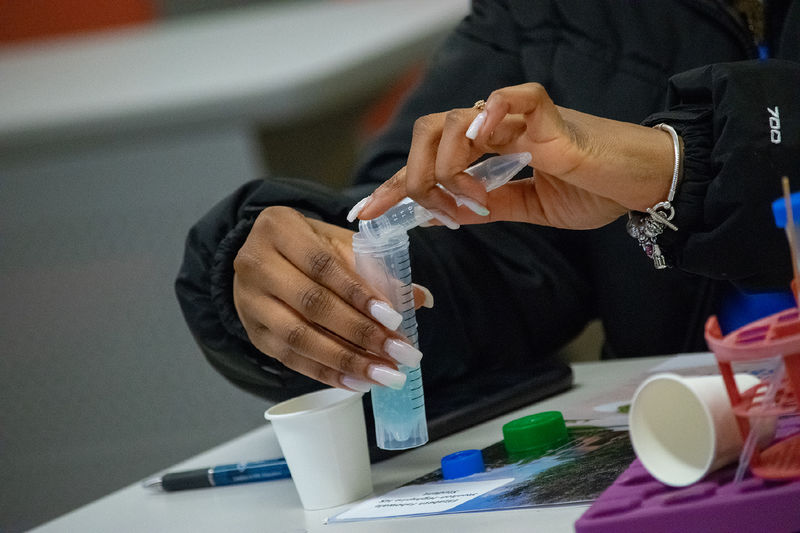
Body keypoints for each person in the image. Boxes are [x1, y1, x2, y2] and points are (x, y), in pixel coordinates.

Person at [176, 1, 799, 437]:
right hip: (696, 446)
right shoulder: (552, 13)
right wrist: (308, 269)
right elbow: (469, 252)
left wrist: (678, 163)